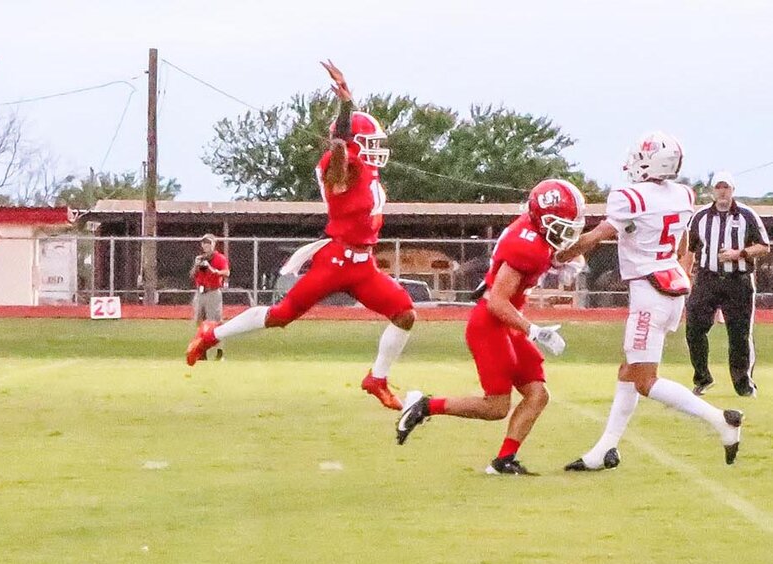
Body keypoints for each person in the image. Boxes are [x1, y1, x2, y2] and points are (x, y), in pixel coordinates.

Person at [185, 60, 416, 411]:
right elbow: (339, 146)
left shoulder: (365, 169)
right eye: (367, 140)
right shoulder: (340, 168)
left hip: (362, 264)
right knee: (280, 316)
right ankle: (210, 335)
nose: (375, 146)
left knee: (405, 314)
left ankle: (377, 379)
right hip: (336, 260)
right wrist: (346, 105)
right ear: (352, 141)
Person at [558, 132, 743, 472]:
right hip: (670, 284)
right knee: (629, 370)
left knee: (645, 380)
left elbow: (598, 236)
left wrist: (561, 254)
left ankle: (720, 420)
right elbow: (684, 238)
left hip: (649, 291)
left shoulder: (629, 197)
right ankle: (605, 449)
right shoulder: (683, 194)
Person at [396, 179, 585, 475]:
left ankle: (503, 461)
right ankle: (425, 405)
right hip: (491, 324)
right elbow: (498, 301)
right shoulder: (528, 246)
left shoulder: (533, 230)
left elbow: (546, 253)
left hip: (505, 323)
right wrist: (534, 330)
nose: (564, 230)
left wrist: (558, 261)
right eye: (559, 223)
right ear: (540, 217)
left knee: (537, 394)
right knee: (496, 407)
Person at [683, 171, 770, 397]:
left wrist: (738, 253)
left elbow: (763, 246)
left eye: (726, 187)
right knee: (694, 329)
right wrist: (684, 277)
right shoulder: (700, 217)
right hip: (707, 279)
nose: (722, 191)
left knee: (739, 335)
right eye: (719, 187)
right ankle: (702, 377)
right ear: (713, 190)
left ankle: (743, 384)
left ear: (733, 190)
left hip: (738, 281)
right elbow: (690, 250)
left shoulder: (746, 215)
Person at [190, 234, 230, 361]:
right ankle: (202, 352)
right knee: (199, 322)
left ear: (214, 244)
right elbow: (192, 275)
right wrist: (197, 266)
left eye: (209, 243)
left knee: (215, 323)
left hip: (213, 292)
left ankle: (219, 351)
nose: (206, 245)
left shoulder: (220, 258)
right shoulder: (199, 258)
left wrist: (213, 270)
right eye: (204, 243)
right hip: (200, 292)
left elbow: (226, 272)